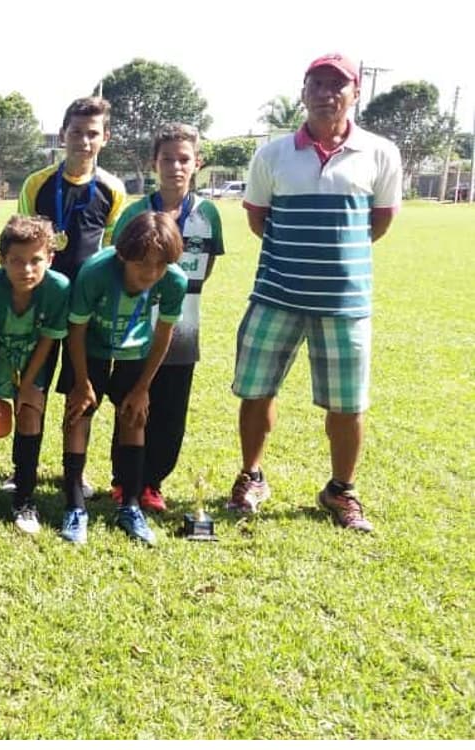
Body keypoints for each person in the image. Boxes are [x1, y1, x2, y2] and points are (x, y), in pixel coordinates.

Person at [232, 53, 402, 533]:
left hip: (345, 303)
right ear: (303, 92)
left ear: (355, 93)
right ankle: (252, 476)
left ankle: (340, 490)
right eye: (317, 84)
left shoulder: (380, 152)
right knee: (256, 391)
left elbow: (379, 221)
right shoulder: (272, 155)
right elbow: (258, 220)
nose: (327, 93)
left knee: (348, 405)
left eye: (338, 85)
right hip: (276, 294)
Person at [109, 123, 224, 513]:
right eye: (167, 159)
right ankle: (125, 481)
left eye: (184, 159)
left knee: (171, 410)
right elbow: (118, 264)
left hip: (184, 327)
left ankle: (152, 483)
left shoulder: (208, 214)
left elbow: (204, 269)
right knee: (132, 405)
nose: (176, 167)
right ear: (153, 163)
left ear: (197, 163)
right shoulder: (135, 212)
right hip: (135, 327)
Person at [16, 96, 127, 500]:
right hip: (42, 305)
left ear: (105, 138)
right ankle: (23, 468)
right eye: (76, 132)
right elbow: (24, 240)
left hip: (89, 311)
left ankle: (73, 472)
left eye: (92, 133)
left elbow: (114, 251)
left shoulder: (113, 189)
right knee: (35, 386)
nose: (84, 140)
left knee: (83, 390)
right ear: (63, 134)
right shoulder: (37, 183)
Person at [62, 212, 187, 546]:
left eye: (160, 265)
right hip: (91, 348)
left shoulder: (174, 281)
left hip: (136, 350)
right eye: (142, 264)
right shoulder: (96, 273)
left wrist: (144, 387)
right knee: (78, 414)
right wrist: (82, 382)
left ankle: (130, 505)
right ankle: (74, 507)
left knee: (135, 416)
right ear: (123, 255)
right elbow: (76, 329)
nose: (151, 273)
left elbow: (164, 334)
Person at [0, 216, 69, 534]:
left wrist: (29, 385)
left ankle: (24, 498)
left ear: (50, 258)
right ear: (2, 260)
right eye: (16, 261)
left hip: (33, 359)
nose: (27, 269)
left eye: (36, 260)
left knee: (30, 412)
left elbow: (49, 338)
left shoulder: (58, 288)